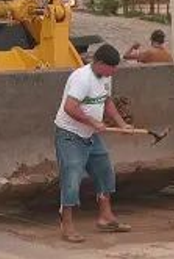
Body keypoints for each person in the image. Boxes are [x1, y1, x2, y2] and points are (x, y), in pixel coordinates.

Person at [55, 43, 133, 242]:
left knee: (104, 170)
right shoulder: (82, 78)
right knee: (72, 176)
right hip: (70, 135)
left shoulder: (106, 77)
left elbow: (107, 101)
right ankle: (67, 224)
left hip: (91, 135)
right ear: (98, 63)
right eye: (110, 68)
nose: (113, 72)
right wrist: (92, 122)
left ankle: (106, 217)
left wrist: (122, 123)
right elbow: (69, 107)